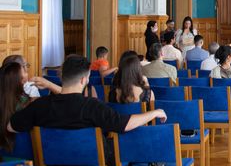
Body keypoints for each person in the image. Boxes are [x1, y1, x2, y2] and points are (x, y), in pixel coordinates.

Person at [8, 55, 166, 156]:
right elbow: (123, 124)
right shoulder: (93, 107)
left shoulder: (39, 106)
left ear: (62, 77)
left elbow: (10, 126)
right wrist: (155, 112)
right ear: (84, 80)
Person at [0, 63, 35, 156]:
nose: (27, 72)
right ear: (21, 80)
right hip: (25, 156)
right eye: (24, 71)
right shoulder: (26, 101)